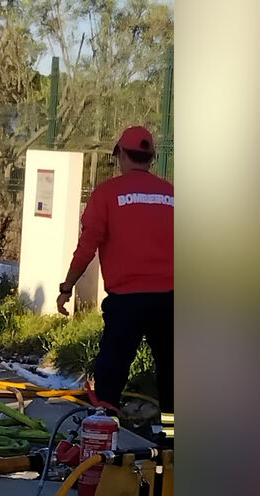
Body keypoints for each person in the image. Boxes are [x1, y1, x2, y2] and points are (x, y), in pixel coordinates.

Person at [56, 126, 173, 435]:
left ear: (120, 154)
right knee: (172, 372)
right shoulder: (173, 195)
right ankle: (173, 439)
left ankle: (105, 434)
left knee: (112, 370)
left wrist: (67, 287)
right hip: (171, 299)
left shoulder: (107, 194)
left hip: (127, 300)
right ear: (151, 157)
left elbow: (86, 248)